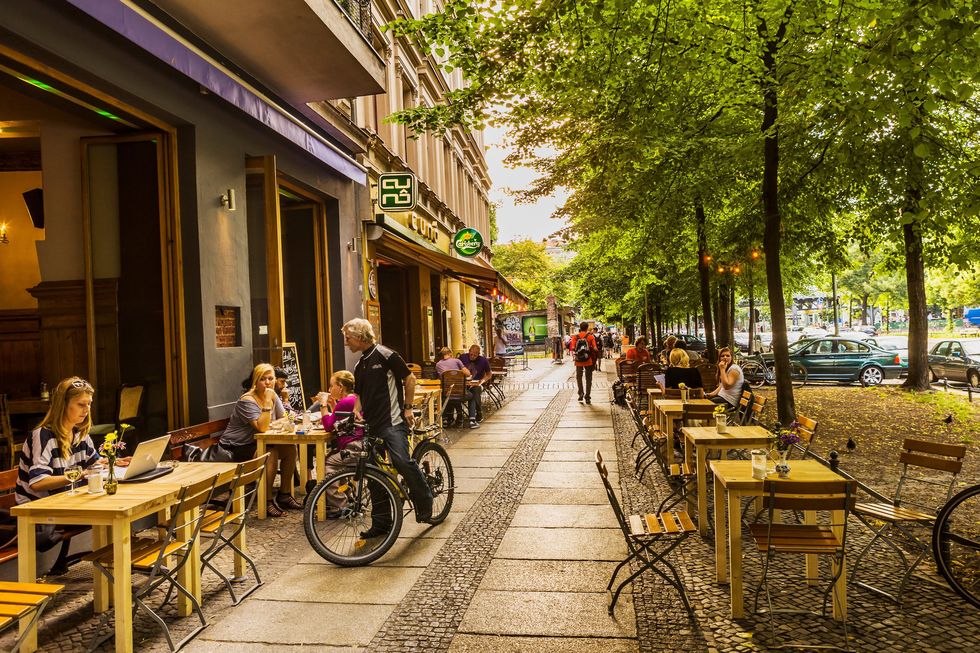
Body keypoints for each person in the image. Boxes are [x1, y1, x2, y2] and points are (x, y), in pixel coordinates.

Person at [16, 377, 129, 552]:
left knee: (118, 506)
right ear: (63, 405)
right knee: (114, 512)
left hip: (67, 503)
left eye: (89, 404)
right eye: (81, 404)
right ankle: (111, 565)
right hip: (38, 511)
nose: (87, 410)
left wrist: (113, 462)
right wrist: (81, 474)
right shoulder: (43, 435)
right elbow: (38, 483)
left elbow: (93, 464)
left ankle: (112, 563)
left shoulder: (79, 432)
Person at [343, 318, 433, 531]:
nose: (346, 343)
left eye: (348, 338)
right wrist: (357, 408)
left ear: (359, 336)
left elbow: (409, 379)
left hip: (392, 422)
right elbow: (359, 393)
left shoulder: (385, 355)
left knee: (402, 461)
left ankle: (425, 501)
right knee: (373, 474)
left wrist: (408, 407)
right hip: (371, 426)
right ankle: (381, 523)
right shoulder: (359, 364)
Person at [200, 363, 299, 517]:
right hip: (233, 447)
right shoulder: (247, 401)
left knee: (290, 449)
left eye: (271, 378)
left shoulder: (272, 395)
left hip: (255, 443)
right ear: (255, 381)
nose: (267, 382)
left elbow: (284, 420)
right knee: (270, 454)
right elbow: (262, 427)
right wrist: (267, 404)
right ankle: (266, 501)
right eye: (263, 379)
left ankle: (284, 494)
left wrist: (273, 416)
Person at [318, 371, 365, 518]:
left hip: (354, 446)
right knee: (336, 459)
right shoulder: (352, 399)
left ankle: (339, 506)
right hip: (358, 445)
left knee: (328, 464)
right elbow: (339, 421)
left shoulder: (346, 401)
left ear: (340, 386)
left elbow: (328, 426)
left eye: (331, 385)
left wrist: (323, 404)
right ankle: (348, 498)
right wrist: (333, 407)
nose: (330, 389)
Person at [435, 347, 479, 428]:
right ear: (450, 354)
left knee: (451, 396)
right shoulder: (457, 361)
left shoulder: (438, 364)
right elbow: (468, 374)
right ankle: (472, 420)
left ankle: (448, 419)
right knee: (472, 395)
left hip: (446, 395)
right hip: (460, 394)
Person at [458, 344, 492, 422]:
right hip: (464, 384)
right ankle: (471, 416)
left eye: (475, 355)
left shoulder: (483, 360)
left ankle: (478, 412)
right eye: (471, 354)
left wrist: (482, 381)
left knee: (475, 390)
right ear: (469, 351)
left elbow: (489, 374)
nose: (472, 357)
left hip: (478, 383)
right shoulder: (463, 358)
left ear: (478, 354)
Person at [569, 321, 599, 404]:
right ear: (587, 328)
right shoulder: (590, 337)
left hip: (578, 360)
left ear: (580, 327)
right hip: (588, 360)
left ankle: (580, 393)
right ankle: (587, 397)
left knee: (579, 377)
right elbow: (595, 348)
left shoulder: (575, 337)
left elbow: (573, 348)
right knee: (588, 378)